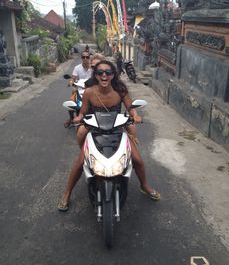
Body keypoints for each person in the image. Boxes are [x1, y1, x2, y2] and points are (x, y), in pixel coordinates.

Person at [58, 60, 160, 211]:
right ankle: (67, 193)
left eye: (108, 72)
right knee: (80, 162)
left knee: (137, 159)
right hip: (95, 129)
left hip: (117, 129)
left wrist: (135, 115)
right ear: (96, 75)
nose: (104, 75)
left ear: (113, 75)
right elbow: (83, 112)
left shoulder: (120, 90)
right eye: (100, 72)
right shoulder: (89, 92)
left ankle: (144, 185)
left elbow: (130, 107)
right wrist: (79, 118)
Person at [64, 50, 92, 128]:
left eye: (87, 57)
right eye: (83, 57)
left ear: (89, 58)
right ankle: (71, 118)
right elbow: (73, 78)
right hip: (80, 88)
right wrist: (71, 81)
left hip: (91, 89)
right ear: (81, 58)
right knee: (71, 100)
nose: (85, 58)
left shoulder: (93, 68)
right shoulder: (77, 68)